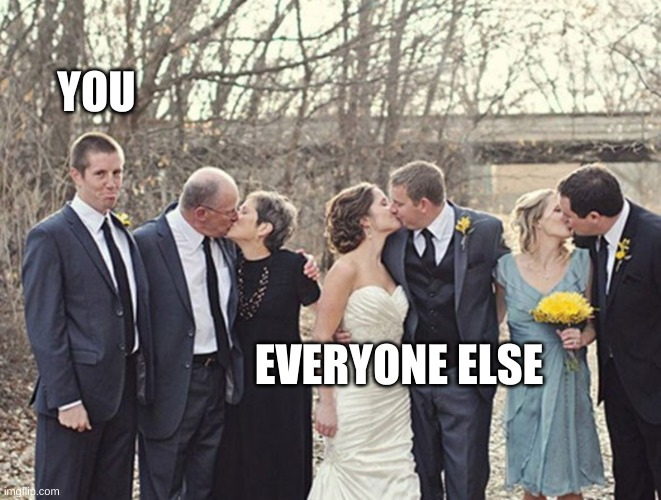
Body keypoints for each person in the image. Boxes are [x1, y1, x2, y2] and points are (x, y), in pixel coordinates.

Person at [21, 132, 153, 499]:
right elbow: (45, 326)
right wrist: (67, 399)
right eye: (100, 174)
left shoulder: (123, 235)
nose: (112, 183)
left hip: (122, 395)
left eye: (118, 172)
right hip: (75, 398)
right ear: (76, 176)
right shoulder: (49, 236)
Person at [383, 160, 508, 500]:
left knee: (466, 472)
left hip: (467, 370)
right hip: (414, 371)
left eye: (398, 202)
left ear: (424, 204)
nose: (392, 209)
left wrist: (488, 326)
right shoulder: (392, 237)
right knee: (421, 470)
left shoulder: (485, 229)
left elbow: (511, 280)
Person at [134, 167, 243, 499]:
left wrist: (301, 264)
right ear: (201, 213)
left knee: (203, 484)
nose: (236, 218)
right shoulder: (145, 244)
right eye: (230, 211)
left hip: (218, 380)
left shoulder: (225, 243)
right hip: (169, 388)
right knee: (164, 485)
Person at [308, 182, 420, 500]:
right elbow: (321, 338)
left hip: (394, 398)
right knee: (352, 476)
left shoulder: (392, 266)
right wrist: (326, 403)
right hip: (355, 394)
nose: (392, 208)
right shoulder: (345, 268)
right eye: (384, 203)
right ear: (364, 220)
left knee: (400, 478)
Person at [558, 163, 661, 500]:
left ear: (594, 216)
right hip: (617, 382)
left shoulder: (655, 238)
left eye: (569, 214)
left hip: (655, 382)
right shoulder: (591, 239)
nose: (565, 221)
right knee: (629, 476)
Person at [494, 188, 604, 499]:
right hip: (526, 380)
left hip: (568, 375)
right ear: (537, 221)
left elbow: (595, 323)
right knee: (532, 477)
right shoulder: (504, 269)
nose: (567, 217)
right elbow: (488, 324)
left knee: (568, 477)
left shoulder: (584, 262)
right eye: (558, 211)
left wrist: (582, 336)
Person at [214, 190, 320, 500]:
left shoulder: (294, 266)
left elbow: (325, 312)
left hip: (283, 383)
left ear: (264, 228)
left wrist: (339, 334)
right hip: (238, 381)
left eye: (244, 211)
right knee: (237, 462)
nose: (236, 215)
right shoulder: (225, 260)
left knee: (280, 463)